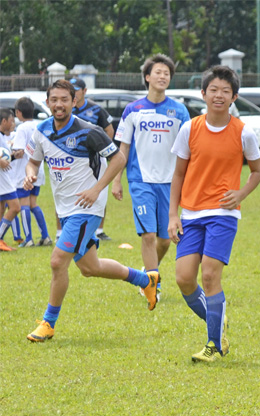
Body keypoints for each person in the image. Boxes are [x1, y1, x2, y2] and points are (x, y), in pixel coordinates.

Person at [24, 79, 160, 343]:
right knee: (90, 267)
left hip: (87, 208)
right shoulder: (41, 131)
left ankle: (48, 324)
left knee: (56, 261)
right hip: (65, 209)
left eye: (65, 99)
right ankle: (145, 280)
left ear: (74, 101)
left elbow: (118, 158)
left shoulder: (89, 131)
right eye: (54, 99)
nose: (59, 104)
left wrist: (97, 189)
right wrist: (30, 175)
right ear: (48, 102)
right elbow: (32, 162)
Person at [168, 65, 260, 363]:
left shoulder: (244, 132)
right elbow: (178, 175)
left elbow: (257, 172)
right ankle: (218, 323)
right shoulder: (190, 128)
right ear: (203, 94)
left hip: (223, 213)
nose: (219, 95)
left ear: (234, 97)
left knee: (209, 274)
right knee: (184, 279)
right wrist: (173, 215)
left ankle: (213, 344)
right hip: (191, 214)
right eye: (214, 90)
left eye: (225, 91)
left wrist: (241, 193)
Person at [113, 54, 190, 300]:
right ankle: (152, 284)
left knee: (166, 240)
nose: (162, 76)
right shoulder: (132, 110)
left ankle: (147, 272)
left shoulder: (179, 111)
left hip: (170, 184)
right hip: (140, 181)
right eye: (158, 72)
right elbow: (122, 149)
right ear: (147, 77)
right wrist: (116, 180)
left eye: (166, 73)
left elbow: (189, 149)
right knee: (147, 235)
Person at [67, 77, 114, 241]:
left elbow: (109, 130)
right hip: (73, 159)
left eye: (77, 89)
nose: (74, 92)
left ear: (84, 91)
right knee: (67, 190)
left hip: (94, 158)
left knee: (99, 190)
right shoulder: (67, 109)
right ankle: (62, 231)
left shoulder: (95, 109)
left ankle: (99, 230)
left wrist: (103, 149)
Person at [12, 97, 52, 247]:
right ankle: (45, 236)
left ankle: (28, 239)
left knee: (24, 204)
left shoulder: (22, 128)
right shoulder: (38, 125)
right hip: (38, 170)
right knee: (33, 203)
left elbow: (19, 151)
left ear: (18, 112)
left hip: (24, 171)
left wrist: (10, 152)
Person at [0, 108, 21, 252]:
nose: (13, 124)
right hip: (3, 180)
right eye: (12, 121)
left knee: (1, 209)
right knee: (15, 207)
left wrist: (13, 156)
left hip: (3, 178)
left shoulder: (3, 136)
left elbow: (4, 159)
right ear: (4, 121)